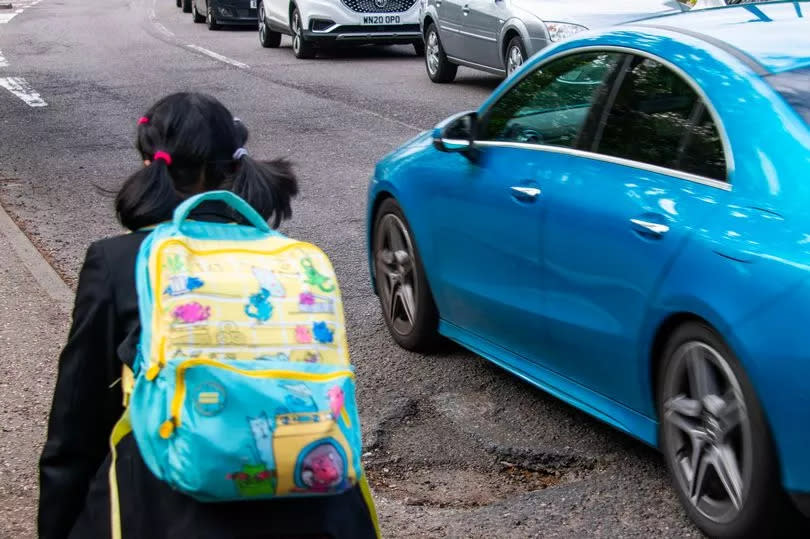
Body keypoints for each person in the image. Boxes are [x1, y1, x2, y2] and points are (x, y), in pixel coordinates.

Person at [38, 92, 378, 539]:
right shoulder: (292, 261)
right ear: (237, 168)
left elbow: (76, 430)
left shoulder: (120, 261)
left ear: (150, 164)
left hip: (165, 510)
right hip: (319, 504)